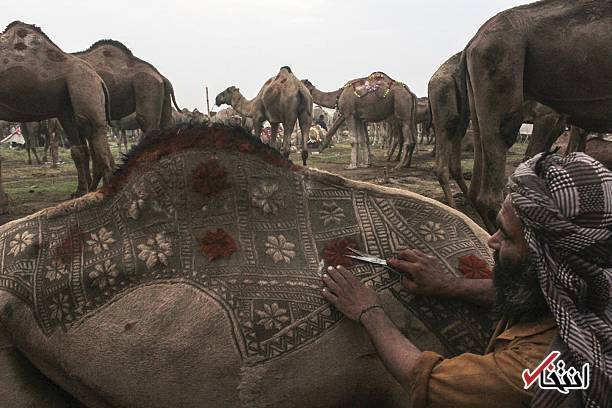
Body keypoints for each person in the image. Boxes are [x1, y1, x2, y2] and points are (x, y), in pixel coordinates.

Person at [322, 152, 611, 408]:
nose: (492, 241)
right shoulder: (591, 275)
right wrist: (449, 285)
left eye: (507, 237)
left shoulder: (540, 368)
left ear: (550, 262)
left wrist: (369, 312)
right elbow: (538, 293)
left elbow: (428, 380)